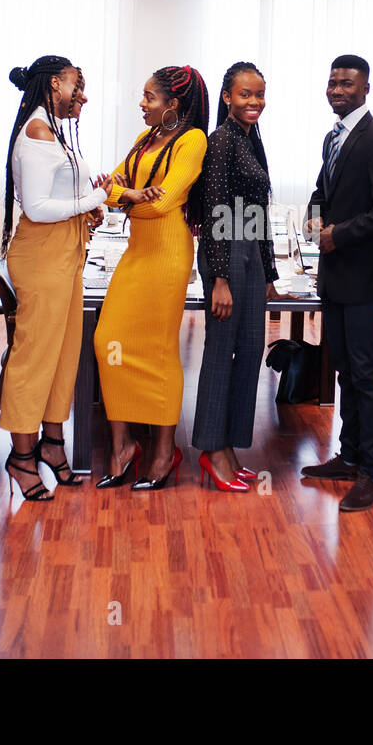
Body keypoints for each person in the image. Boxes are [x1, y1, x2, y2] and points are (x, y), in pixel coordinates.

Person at [0, 56, 109, 501]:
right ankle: (21, 456)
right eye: (76, 85)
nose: (83, 94)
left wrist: (88, 204)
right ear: (52, 86)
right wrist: (97, 197)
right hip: (42, 256)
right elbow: (39, 208)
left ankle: (53, 443)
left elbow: (61, 196)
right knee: (35, 357)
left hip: (67, 251)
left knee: (65, 356)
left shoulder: (55, 129)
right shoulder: (38, 131)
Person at [93, 65, 209, 491]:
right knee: (109, 343)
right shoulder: (146, 140)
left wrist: (125, 197)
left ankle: (164, 451)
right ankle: (123, 447)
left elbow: (162, 206)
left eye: (149, 97)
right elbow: (105, 185)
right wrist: (128, 196)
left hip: (166, 254)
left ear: (173, 104)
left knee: (159, 351)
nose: (141, 104)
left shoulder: (192, 140)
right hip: (136, 252)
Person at [300, 55, 373, 512]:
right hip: (335, 276)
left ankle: (372, 474)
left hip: (363, 277)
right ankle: (349, 456)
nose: (337, 90)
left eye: (346, 84)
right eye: (332, 83)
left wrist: (337, 235)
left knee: (364, 375)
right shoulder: (334, 136)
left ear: (366, 88)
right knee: (343, 367)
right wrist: (313, 215)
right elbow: (324, 190)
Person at [192, 62, 281, 492]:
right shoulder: (221, 141)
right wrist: (222, 279)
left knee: (249, 352)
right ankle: (211, 450)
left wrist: (269, 270)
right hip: (226, 254)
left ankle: (230, 446)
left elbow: (260, 211)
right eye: (245, 94)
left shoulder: (252, 139)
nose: (254, 102)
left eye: (259, 94)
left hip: (251, 255)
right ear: (227, 97)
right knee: (220, 351)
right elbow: (213, 212)